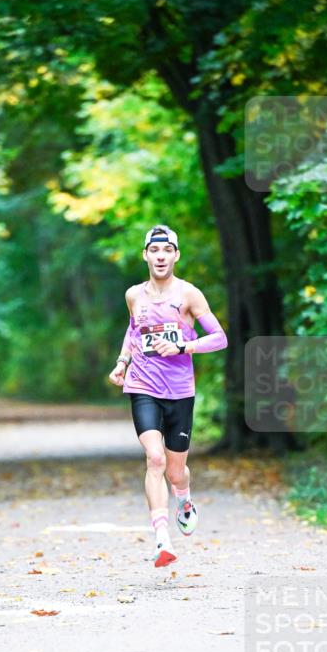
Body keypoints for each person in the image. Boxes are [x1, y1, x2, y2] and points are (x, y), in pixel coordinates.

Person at [108, 225, 227, 568]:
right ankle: (163, 539)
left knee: (176, 472)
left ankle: (185, 500)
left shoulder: (189, 295)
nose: (160, 257)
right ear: (145, 255)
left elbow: (220, 338)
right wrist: (122, 363)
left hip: (179, 392)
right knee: (155, 459)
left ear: (176, 255)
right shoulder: (134, 295)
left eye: (167, 251)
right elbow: (134, 332)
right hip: (142, 386)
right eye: (154, 251)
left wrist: (183, 346)